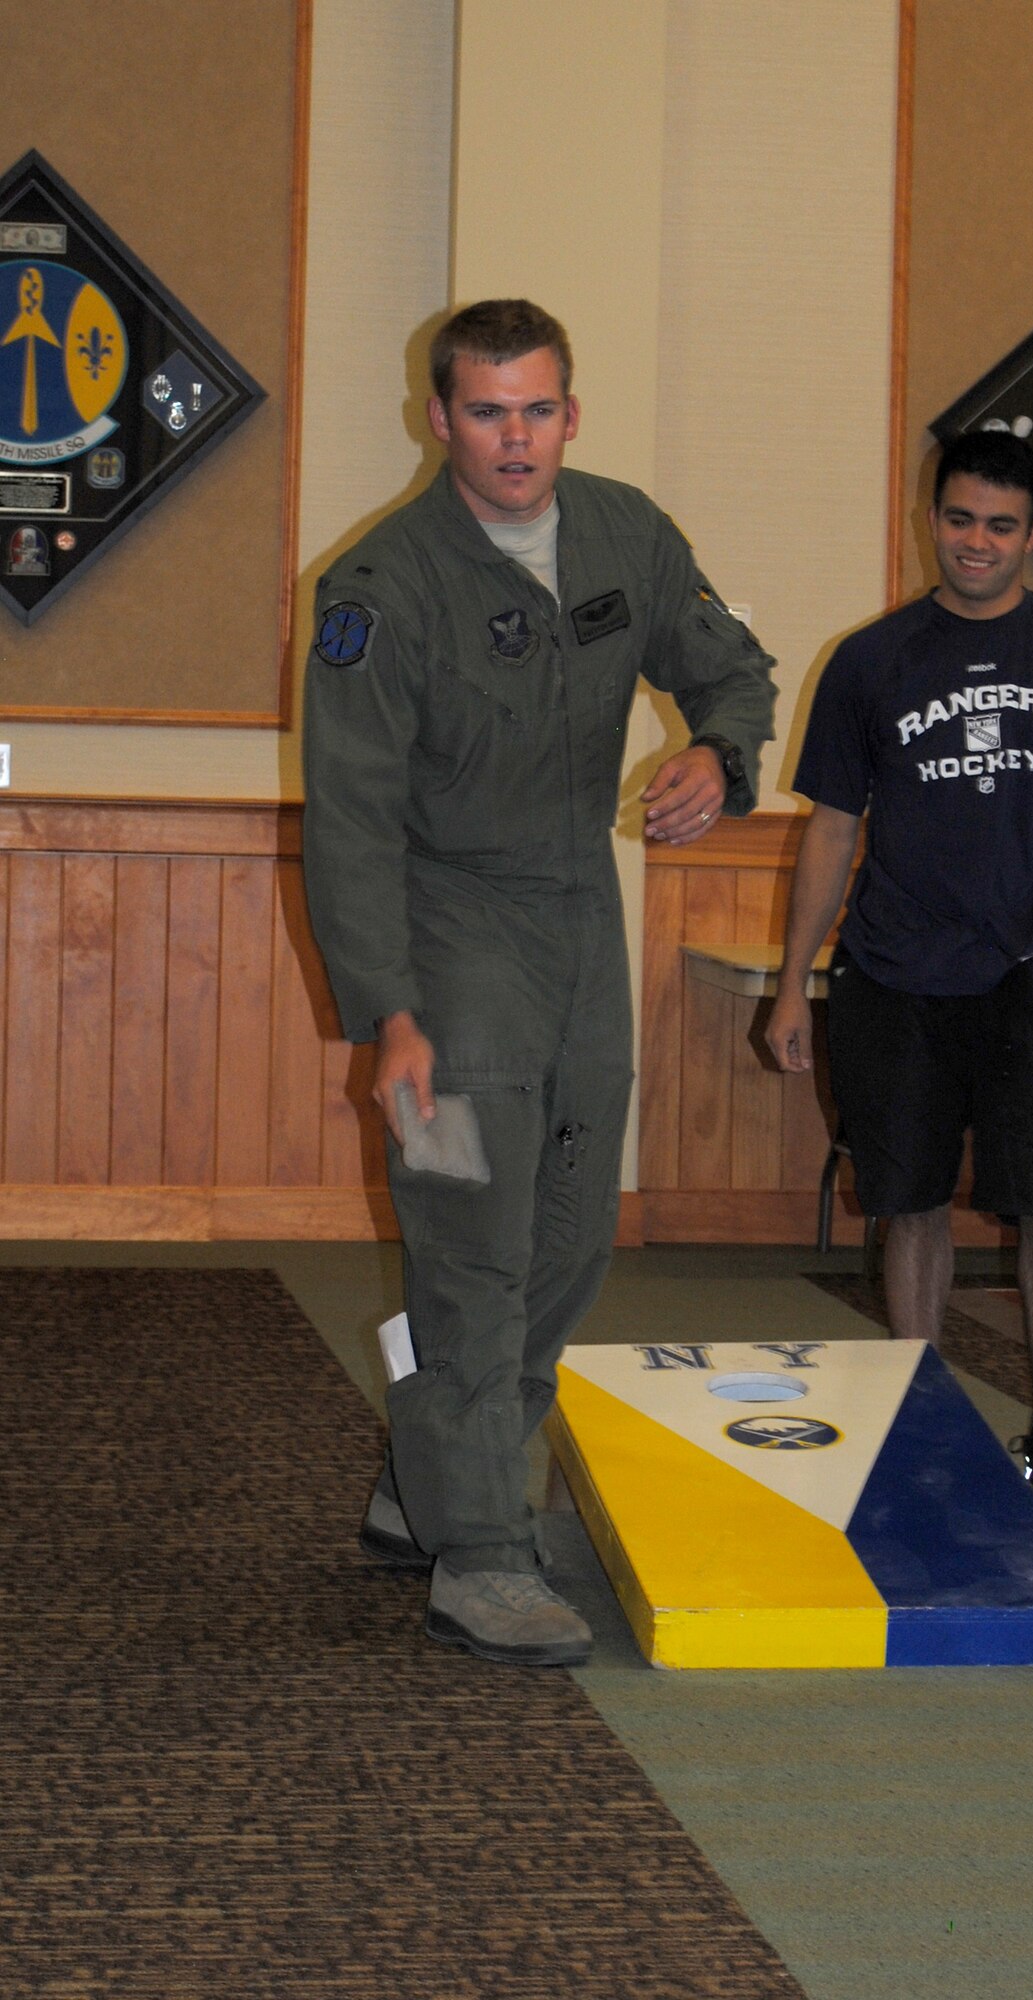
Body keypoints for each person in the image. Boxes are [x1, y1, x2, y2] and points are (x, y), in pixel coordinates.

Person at [303, 299, 775, 1663]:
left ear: (572, 412)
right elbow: (347, 820)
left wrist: (720, 755)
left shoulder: (627, 532)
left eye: (537, 409)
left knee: (569, 1234)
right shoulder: (378, 591)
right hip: (445, 941)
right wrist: (386, 1015)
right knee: (468, 1237)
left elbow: (728, 668)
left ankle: (426, 1484)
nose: (515, 439)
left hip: (579, 924)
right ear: (438, 418)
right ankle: (482, 1553)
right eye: (487, 411)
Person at [765, 430, 1033, 1514]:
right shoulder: (869, 660)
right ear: (928, 520)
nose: (975, 543)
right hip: (892, 969)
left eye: (999, 525)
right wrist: (793, 977)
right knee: (907, 1202)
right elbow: (831, 830)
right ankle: (919, 1409)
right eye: (957, 520)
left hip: (1031, 968)